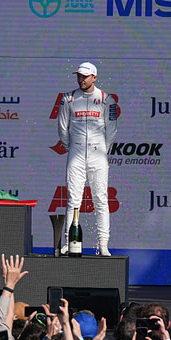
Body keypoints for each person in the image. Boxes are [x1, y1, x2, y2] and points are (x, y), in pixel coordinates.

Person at [57, 62, 118, 256]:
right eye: (79, 76)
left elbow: (112, 130)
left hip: (98, 156)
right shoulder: (68, 98)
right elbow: (62, 128)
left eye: (85, 76)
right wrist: (72, 147)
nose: (81, 79)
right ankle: (68, 241)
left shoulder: (106, 100)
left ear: (94, 77)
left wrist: (101, 150)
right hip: (75, 154)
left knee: (101, 199)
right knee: (73, 200)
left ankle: (103, 244)